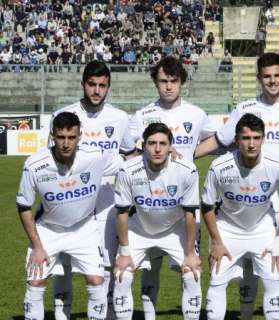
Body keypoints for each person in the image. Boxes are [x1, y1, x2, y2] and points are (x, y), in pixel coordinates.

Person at [195, 52, 279, 320]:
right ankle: (247, 314)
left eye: (277, 75)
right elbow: (220, 141)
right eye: (267, 76)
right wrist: (187, 155)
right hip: (252, 201)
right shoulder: (245, 109)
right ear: (259, 78)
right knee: (252, 267)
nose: (272, 81)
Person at [129, 56, 215, 319]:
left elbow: (215, 140)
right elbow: (130, 155)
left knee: (190, 269)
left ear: (182, 83)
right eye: (163, 81)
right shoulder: (142, 115)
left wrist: (188, 156)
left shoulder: (196, 114)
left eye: (173, 81)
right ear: (156, 82)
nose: (168, 86)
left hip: (185, 207)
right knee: (149, 267)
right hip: (148, 204)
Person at [50, 60, 136, 320]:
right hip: (72, 197)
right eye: (92, 85)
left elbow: (130, 153)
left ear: (108, 87)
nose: (97, 91)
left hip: (108, 200)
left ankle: (107, 314)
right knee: (64, 265)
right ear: (83, 84)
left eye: (102, 86)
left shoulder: (120, 118)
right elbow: (51, 156)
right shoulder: (63, 115)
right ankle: (61, 314)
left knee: (108, 263)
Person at [17, 112, 122, 320]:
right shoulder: (34, 165)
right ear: (52, 136)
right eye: (61, 137)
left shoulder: (95, 156)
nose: (66, 143)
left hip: (84, 229)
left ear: (79, 136)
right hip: (48, 230)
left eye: (71, 137)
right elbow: (24, 206)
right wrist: (37, 246)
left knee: (96, 281)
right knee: (35, 282)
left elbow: (129, 161)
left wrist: (167, 152)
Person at [201, 113, 279, 319]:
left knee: (272, 279)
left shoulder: (278, 166)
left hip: (263, 229)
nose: (251, 144)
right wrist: (216, 241)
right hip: (227, 230)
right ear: (236, 141)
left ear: (263, 138)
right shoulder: (219, 167)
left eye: (256, 137)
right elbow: (207, 205)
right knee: (216, 281)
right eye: (245, 138)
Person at [112, 123, 201, 320]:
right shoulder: (127, 170)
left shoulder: (187, 170)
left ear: (171, 146)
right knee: (122, 276)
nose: (158, 148)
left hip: (175, 230)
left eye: (163, 143)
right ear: (143, 146)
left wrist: (190, 254)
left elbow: (190, 213)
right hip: (139, 229)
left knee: (192, 274)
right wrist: (124, 253)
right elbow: (122, 213)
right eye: (152, 143)